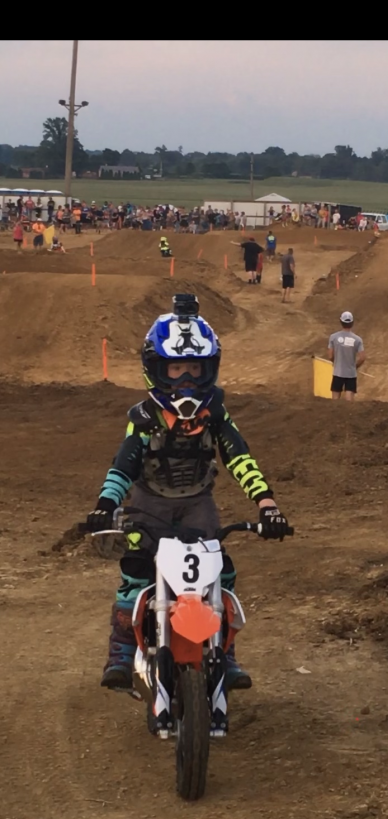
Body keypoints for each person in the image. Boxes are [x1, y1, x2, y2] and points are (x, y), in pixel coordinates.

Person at [86, 297, 291, 693]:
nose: (185, 381)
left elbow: (239, 457)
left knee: (221, 573)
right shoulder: (143, 419)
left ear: (209, 369)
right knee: (134, 571)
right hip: (149, 506)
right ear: (156, 370)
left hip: (198, 505)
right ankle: (121, 652)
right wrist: (104, 506)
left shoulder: (215, 415)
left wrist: (267, 504)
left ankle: (225, 653)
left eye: (194, 369)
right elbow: (124, 465)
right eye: (176, 369)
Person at [327, 311, 365, 402]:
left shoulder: (333, 337)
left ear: (341, 322)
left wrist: (336, 362)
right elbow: (362, 358)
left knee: (335, 401)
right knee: (349, 401)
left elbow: (330, 356)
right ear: (352, 323)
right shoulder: (358, 339)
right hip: (351, 373)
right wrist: (355, 366)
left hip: (338, 372)